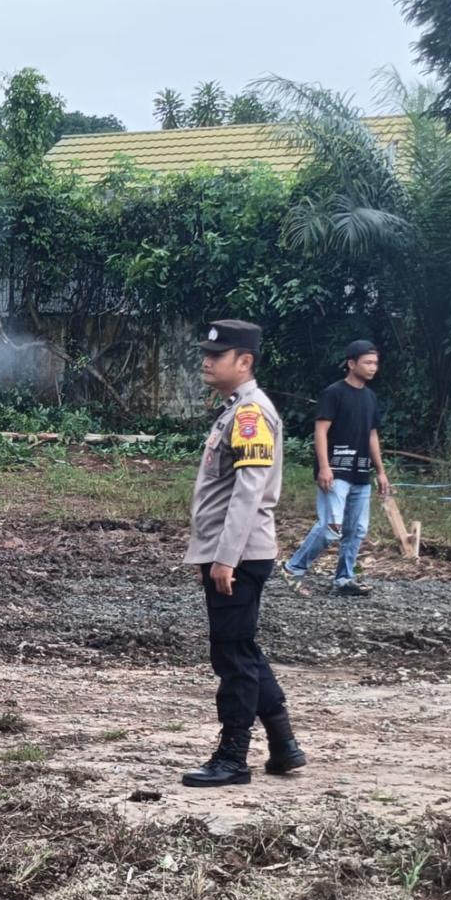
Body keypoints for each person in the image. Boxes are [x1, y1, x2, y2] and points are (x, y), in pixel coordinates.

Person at [183, 319, 304, 788]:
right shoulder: (237, 409)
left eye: (218, 355)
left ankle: (233, 756)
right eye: (207, 353)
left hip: (238, 554)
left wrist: (225, 558)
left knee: (232, 656)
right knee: (242, 648)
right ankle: (283, 744)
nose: (207, 361)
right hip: (232, 552)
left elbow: (248, 493)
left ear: (245, 361)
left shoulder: (250, 414)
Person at [280, 341, 391, 597]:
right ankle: (293, 568)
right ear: (351, 364)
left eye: (375, 363)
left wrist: (381, 471)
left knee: (356, 530)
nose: (373, 367)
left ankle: (344, 579)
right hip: (336, 471)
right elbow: (321, 430)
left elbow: (372, 435)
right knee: (331, 528)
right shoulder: (333, 393)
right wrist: (324, 466)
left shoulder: (370, 397)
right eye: (367, 362)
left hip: (361, 472)